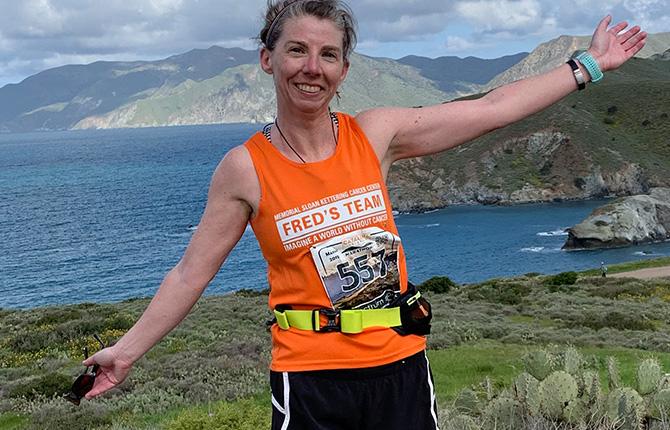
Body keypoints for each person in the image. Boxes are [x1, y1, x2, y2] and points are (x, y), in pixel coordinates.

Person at [80, 1, 646, 429]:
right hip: (310, 378)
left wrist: (589, 64)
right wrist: (125, 353)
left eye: (328, 55)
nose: (312, 68)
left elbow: (492, 109)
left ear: (344, 69)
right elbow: (189, 274)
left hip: (400, 365)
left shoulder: (374, 135)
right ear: (267, 59)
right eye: (297, 50)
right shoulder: (244, 169)